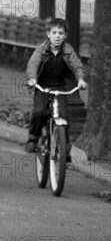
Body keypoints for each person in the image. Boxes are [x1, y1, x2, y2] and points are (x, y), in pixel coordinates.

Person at [24, 18, 87, 158]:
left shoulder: (67, 50)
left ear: (65, 35)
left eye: (61, 33)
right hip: (42, 87)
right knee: (39, 112)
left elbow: (77, 66)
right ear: (48, 34)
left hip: (59, 87)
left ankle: (65, 148)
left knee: (63, 116)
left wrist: (81, 79)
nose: (57, 36)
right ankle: (33, 138)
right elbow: (33, 64)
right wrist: (32, 79)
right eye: (54, 32)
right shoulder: (41, 49)